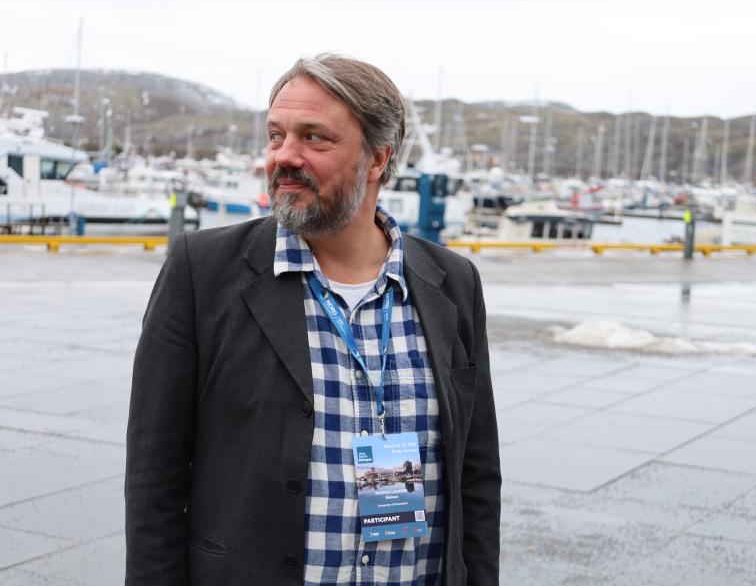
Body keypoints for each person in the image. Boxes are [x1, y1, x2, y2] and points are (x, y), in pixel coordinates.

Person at [125, 54, 500, 586]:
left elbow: (477, 476)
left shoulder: (452, 283)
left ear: (377, 160)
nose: (285, 156)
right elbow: (153, 476)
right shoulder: (201, 272)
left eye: (314, 138)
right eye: (276, 136)